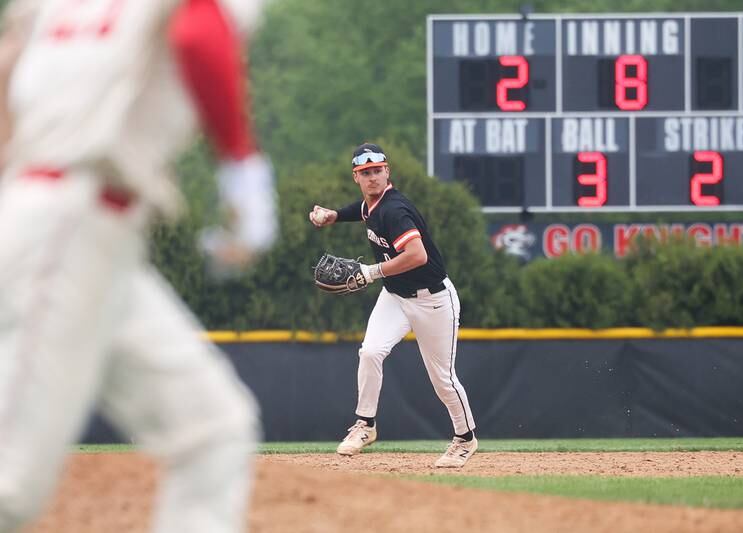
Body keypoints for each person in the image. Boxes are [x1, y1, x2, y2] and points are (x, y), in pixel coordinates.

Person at [0, 0, 276, 532]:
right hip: (68, 227)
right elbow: (200, 30)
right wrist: (241, 167)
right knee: (10, 488)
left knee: (212, 429)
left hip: (73, 226)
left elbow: (8, 62)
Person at [309, 143, 478, 468]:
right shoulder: (374, 205)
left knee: (442, 379)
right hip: (396, 296)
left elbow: (418, 255)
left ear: (387, 172)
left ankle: (465, 438)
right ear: (356, 177)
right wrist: (334, 216)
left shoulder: (395, 210)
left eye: (377, 171)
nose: (372, 178)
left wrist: (371, 272)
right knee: (371, 351)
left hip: (433, 301)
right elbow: (361, 210)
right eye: (365, 173)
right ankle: (366, 424)